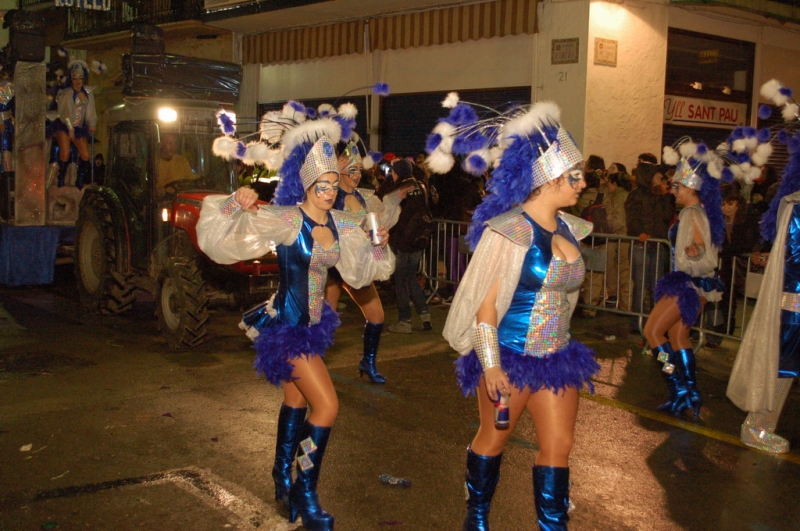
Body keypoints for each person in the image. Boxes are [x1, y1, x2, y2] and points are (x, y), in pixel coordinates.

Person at [197, 103, 394, 531]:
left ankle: (280, 477)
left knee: (297, 401)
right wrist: (237, 201)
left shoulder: (341, 222)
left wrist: (378, 239)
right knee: (327, 405)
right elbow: (218, 241)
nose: (327, 190)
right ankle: (306, 491)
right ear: (306, 184)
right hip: (287, 330)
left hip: (313, 327)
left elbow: (368, 271)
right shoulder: (287, 219)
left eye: (331, 182)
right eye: (319, 183)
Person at [434, 99, 600, 531]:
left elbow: (566, 300)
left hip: (557, 356)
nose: (582, 182)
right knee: (494, 438)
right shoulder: (510, 230)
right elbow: (485, 308)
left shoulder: (569, 228)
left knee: (559, 446)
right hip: (509, 356)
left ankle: (552, 525)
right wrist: (490, 365)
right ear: (547, 177)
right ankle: (478, 517)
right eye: (574, 174)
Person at [728, 86, 800, 453]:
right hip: (794, 302)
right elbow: (794, 263)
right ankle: (757, 425)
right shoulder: (796, 206)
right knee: (783, 362)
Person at [643, 144, 726, 416]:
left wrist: (695, 252)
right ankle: (690, 393)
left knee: (652, 332)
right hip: (698, 285)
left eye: (678, 185)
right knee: (678, 337)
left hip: (687, 285)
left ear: (691, 188)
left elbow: (705, 254)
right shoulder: (700, 212)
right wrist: (697, 251)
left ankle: (677, 385)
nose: (673, 189)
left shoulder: (692, 213)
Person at [325, 136, 410, 383]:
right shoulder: (329, 196)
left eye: (360, 169)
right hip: (332, 266)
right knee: (325, 322)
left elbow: (379, 221)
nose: (357, 174)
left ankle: (368, 361)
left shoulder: (364, 198)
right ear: (338, 170)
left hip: (356, 267)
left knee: (377, 317)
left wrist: (382, 230)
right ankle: (313, 367)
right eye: (351, 169)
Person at [382, 158, 434, 334]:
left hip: (402, 240)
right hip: (419, 238)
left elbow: (389, 209)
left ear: (397, 173)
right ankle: (425, 315)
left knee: (401, 280)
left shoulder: (400, 189)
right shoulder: (421, 185)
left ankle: (405, 320)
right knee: (411, 276)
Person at [625, 158, 675, 332]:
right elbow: (632, 220)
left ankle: (655, 324)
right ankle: (636, 324)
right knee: (640, 285)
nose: (660, 176)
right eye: (656, 174)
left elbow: (667, 215)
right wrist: (640, 234)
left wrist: (667, 195)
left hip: (658, 246)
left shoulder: (659, 196)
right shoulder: (636, 195)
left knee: (656, 287)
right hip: (642, 246)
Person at [54, 60, 96, 189]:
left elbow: (91, 111)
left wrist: (92, 123)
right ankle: (61, 177)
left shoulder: (88, 93)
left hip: (79, 127)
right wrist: (70, 128)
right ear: (71, 79)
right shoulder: (66, 93)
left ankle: (80, 178)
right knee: (65, 154)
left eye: (80, 78)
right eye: (75, 78)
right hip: (65, 126)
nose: (77, 81)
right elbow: (64, 112)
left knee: (85, 155)